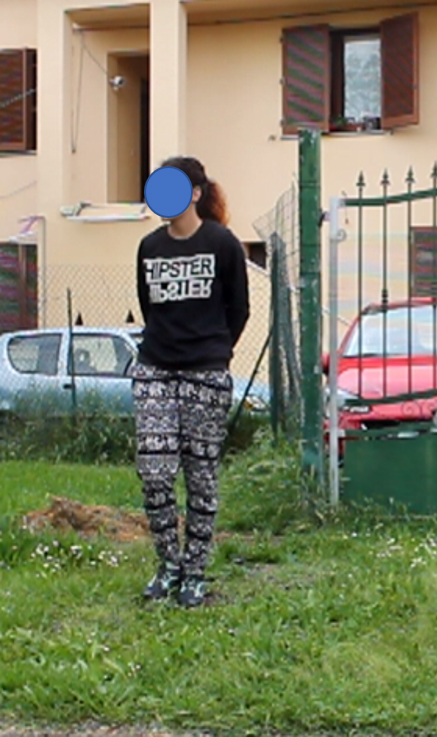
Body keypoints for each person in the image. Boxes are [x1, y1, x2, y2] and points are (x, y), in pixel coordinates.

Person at [134, 156, 250, 608]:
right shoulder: (149, 247)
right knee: (155, 473)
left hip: (206, 371)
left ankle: (195, 574)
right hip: (155, 368)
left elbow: (237, 310)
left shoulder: (223, 244)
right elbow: (148, 307)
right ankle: (169, 566)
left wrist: (214, 353)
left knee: (201, 476)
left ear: (195, 194)